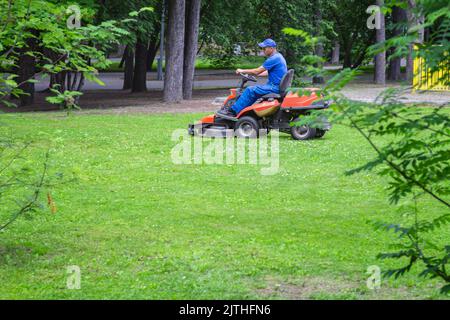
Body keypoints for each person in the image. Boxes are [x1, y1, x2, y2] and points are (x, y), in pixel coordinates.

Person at [216, 39, 288, 120]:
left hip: (274, 87)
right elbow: (268, 72)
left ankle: (232, 111)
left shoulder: (273, 59)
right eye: (262, 48)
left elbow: (257, 71)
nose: (263, 50)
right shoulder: (279, 56)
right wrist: (254, 74)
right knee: (253, 92)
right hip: (276, 86)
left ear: (271, 48)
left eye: (264, 48)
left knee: (250, 90)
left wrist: (242, 70)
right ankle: (243, 112)